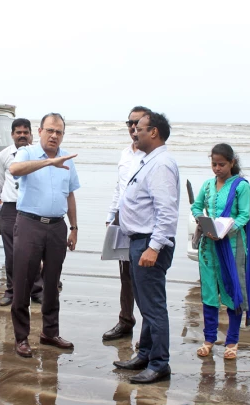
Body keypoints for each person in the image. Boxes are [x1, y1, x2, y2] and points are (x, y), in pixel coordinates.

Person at [113, 111, 179, 384]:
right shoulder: (147, 160)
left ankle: (159, 363)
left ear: (153, 132)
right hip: (138, 241)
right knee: (145, 305)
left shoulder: (161, 164)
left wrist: (153, 247)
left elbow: (167, 211)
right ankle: (146, 354)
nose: (134, 131)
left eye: (138, 127)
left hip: (150, 243)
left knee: (154, 307)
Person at [8, 113, 80, 358]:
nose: (54, 136)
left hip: (57, 227)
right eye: (50, 130)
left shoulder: (67, 158)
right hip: (29, 224)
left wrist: (74, 227)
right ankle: (21, 337)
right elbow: (15, 169)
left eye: (59, 132)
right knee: (24, 281)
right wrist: (49, 163)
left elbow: (70, 194)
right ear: (39, 131)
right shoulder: (27, 153)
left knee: (52, 282)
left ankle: (50, 332)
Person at [190, 144, 250, 361]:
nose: (217, 169)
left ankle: (232, 341)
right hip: (209, 246)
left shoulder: (241, 187)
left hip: (232, 246)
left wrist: (226, 229)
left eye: (221, 164)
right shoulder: (208, 185)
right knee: (209, 293)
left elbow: (244, 215)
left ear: (232, 163)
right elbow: (196, 206)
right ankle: (209, 339)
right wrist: (203, 221)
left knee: (232, 293)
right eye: (213, 164)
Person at [102, 106, 148, 341]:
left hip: (143, 226)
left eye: (137, 123)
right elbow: (119, 188)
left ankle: (147, 331)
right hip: (122, 221)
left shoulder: (152, 156)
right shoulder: (125, 154)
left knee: (144, 278)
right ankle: (125, 321)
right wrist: (111, 216)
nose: (133, 127)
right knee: (126, 275)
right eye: (129, 123)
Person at [0, 118, 43, 307]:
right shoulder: (4, 155)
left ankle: (37, 290)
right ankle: (11, 291)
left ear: (31, 134)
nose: (22, 135)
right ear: (12, 134)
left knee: (33, 252)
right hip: (10, 208)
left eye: (25, 132)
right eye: (18, 132)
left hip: (32, 208)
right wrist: (0, 200)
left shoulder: (40, 154)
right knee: (12, 253)